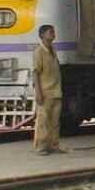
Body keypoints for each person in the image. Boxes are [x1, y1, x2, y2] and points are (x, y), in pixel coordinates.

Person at [31, 24, 65, 155]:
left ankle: (53, 145)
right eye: (50, 32)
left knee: (54, 121)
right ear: (42, 35)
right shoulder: (39, 52)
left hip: (56, 90)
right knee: (43, 120)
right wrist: (38, 92)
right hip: (45, 92)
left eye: (53, 32)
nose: (53, 34)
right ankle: (41, 146)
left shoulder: (53, 50)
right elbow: (35, 73)